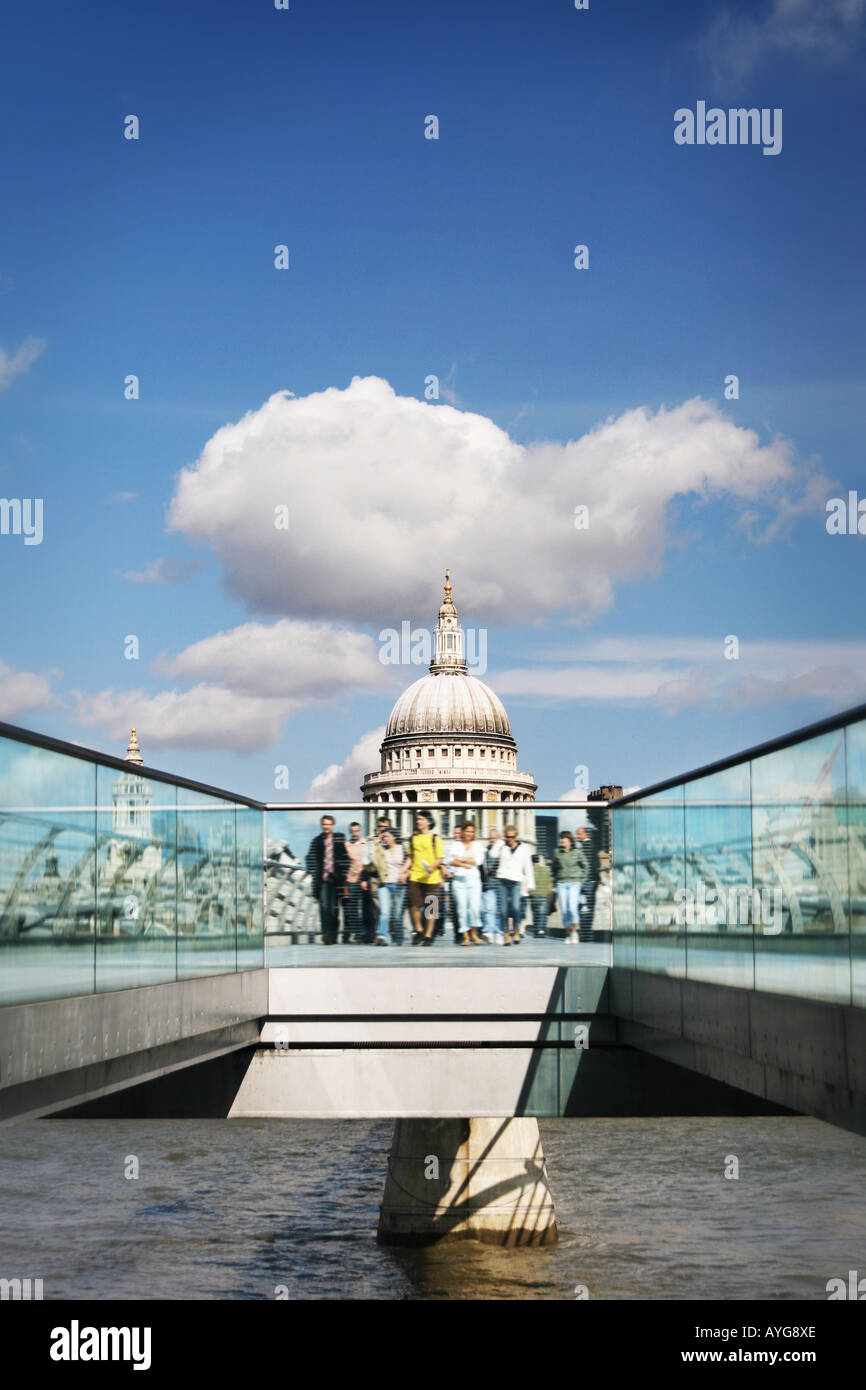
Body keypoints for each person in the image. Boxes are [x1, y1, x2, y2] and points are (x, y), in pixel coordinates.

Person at [401, 810, 445, 946]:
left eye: (421, 819)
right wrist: (403, 871)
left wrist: (432, 867)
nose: (418, 821)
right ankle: (420, 930)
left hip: (432, 879)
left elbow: (440, 858)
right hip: (416, 876)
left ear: (428, 822)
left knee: (431, 909)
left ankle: (428, 935)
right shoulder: (413, 838)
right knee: (413, 905)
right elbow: (410, 857)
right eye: (417, 819)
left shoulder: (435, 838)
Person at [305, 815, 349, 945]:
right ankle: (326, 936)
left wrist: (343, 873)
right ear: (322, 825)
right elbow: (309, 857)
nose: (326, 826)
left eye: (329, 824)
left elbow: (345, 858)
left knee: (334, 909)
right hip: (323, 879)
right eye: (324, 824)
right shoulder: (316, 841)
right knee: (324, 907)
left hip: (337, 880)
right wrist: (313, 870)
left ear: (332, 825)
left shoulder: (339, 840)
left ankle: (333, 935)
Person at [447, 820, 485, 946]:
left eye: (472, 831)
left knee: (475, 908)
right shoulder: (455, 845)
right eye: (468, 831)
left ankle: (473, 933)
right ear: (462, 832)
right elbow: (451, 861)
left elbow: (477, 861)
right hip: (459, 881)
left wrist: (460, 860)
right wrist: (465, 863)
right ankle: (465, 936)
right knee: (461, 909)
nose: (470, 833)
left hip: (473, 879)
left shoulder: (478, 845)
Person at [496, 825, 535, 945]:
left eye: (512, 837)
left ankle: (516, 931)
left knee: (516, 908)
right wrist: (499, 841)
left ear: (516, 836)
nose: (510, 839)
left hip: (516, 880)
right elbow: (492, 854)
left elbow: (528, 867)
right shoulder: (502, 847)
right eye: (507, 837)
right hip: (502, 880)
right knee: (503, 910)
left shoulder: (524, 849)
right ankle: (506, 934)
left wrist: (530, 884)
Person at [371, 827, 408, 945]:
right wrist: (378, 840)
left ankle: (398, 937)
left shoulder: (402, 849)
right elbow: (372, 856)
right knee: (385, 912)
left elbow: (409, 863)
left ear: (394, 837)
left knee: (397, 913)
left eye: (387, 836)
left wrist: (405, 874)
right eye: (384, 837)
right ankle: (382, 936)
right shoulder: (381, 849)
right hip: (384, 884)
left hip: (399, 884)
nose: (385, 839)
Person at [553, 830, 589, 945]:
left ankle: (574, 932)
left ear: (569, 840)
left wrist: (581, 882)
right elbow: (554, 868)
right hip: (561, 884)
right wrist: (555, 881)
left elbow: (586, 866)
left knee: (573, 908)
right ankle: (567, 934)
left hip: (574, 883)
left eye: (564, 838)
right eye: (561, 838)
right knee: (564, 910)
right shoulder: (557, 852)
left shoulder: (577, 852)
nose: (561, 840)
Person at [343, 821, 369, 944]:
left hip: (363, 879)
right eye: (352, 831)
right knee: (352, 908)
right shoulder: (346, 845)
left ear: (360, 831)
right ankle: (359, 934)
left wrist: (365, 879)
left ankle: (366, 933)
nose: (355, 833)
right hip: (351, 880)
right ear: (350, 832)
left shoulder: (366, 844)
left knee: (365, 908)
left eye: (357, 830)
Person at [482, 826, 505, 943]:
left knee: (499, 910)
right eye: (490, 838)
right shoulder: (486, 851)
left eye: (494, 838)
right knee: (489, 909)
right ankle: (489, 932)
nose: (492, 840)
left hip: (500, 883)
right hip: (490, 884)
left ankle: (499, 932)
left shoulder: (502, 850)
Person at [529, 854, 551, 937]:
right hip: (543, 895)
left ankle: (536, 930)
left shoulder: (530, 871)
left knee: (535, 913)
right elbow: (549, 883)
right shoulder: (546, 870)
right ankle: (541, 930)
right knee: (542, 913)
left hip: (533, 895)